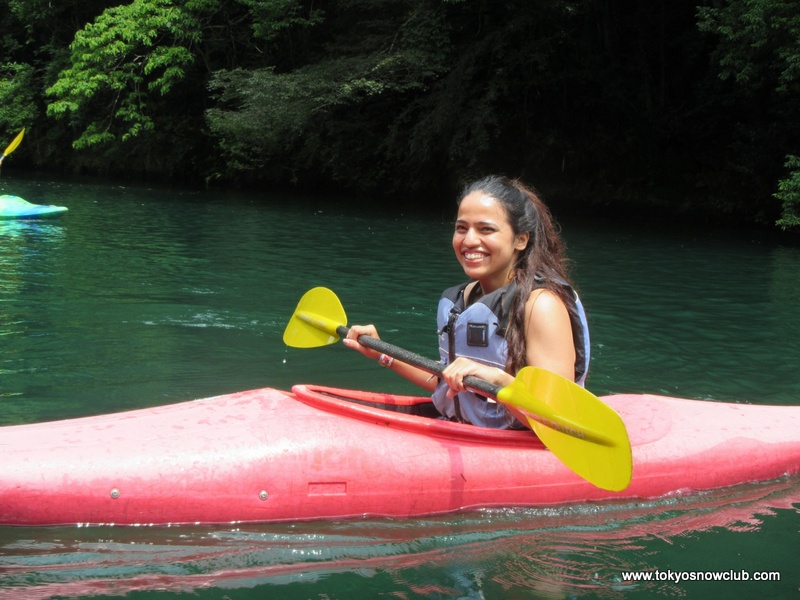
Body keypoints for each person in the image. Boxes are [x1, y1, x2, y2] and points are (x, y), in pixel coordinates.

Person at [343, 175, 590, 429]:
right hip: (462, 431)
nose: (469, 240)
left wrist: (497, 379)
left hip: (515, 448)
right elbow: (447, 383)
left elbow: (559, 417)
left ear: (521, 239)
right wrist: (383, 353)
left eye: (486, 229)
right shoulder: (464, 299)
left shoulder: (542, 305)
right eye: (462, 228)